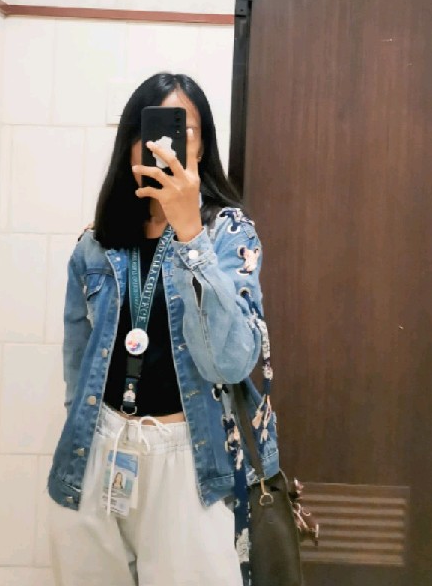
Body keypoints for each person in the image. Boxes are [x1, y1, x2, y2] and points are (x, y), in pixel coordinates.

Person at [47, 73, 279, 586]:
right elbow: (77, 360)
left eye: (183, 130)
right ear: (130, 143)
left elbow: (230, 363)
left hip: (188, 456)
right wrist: (81, 431)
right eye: (150, 130)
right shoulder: (97, 245)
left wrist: (191, 235)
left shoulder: (229, 234)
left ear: (203, 144)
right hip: (98, 448)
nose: (165, 145)